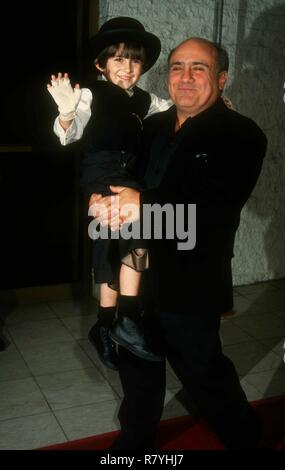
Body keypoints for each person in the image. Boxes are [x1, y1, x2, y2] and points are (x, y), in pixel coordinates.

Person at [89, 37, 267, 449]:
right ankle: (135, 446)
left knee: (205, 376)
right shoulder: (149, 127)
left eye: (198, 68)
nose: (185, 77)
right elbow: (118, 172)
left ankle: (246, 441)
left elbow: (216, 209)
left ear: (221, 79)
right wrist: (102, 198)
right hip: (135, 276)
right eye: (177, 67)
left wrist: (142, 204)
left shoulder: (241, 134)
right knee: (137, 374)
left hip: (190, 282)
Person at [47, 17, 172, 370]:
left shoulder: (144, 99)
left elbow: (172, 109)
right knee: (139, 235)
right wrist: (67, 113)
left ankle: (105, 325)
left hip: (127, 177)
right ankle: (127, 319)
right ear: (100, 64)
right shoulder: (89, 94)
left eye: (134, 60)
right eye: (117, 59)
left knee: (112, 244)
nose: (127, 67)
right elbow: (68, 133)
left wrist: (212, 107)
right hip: (103, 175)